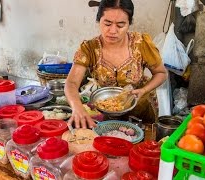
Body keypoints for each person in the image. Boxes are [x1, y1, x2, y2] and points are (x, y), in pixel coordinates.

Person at [64, 0, 167, 129]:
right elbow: (71, 83)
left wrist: (144, 90)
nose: (113, 30)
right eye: (107, 23)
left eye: (120, 25)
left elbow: (161, 73)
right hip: (108, 114)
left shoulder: (140, 44)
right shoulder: (89, 49)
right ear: (99, 21)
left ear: (129, 24)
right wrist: (77, 107)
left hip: (141, 113)